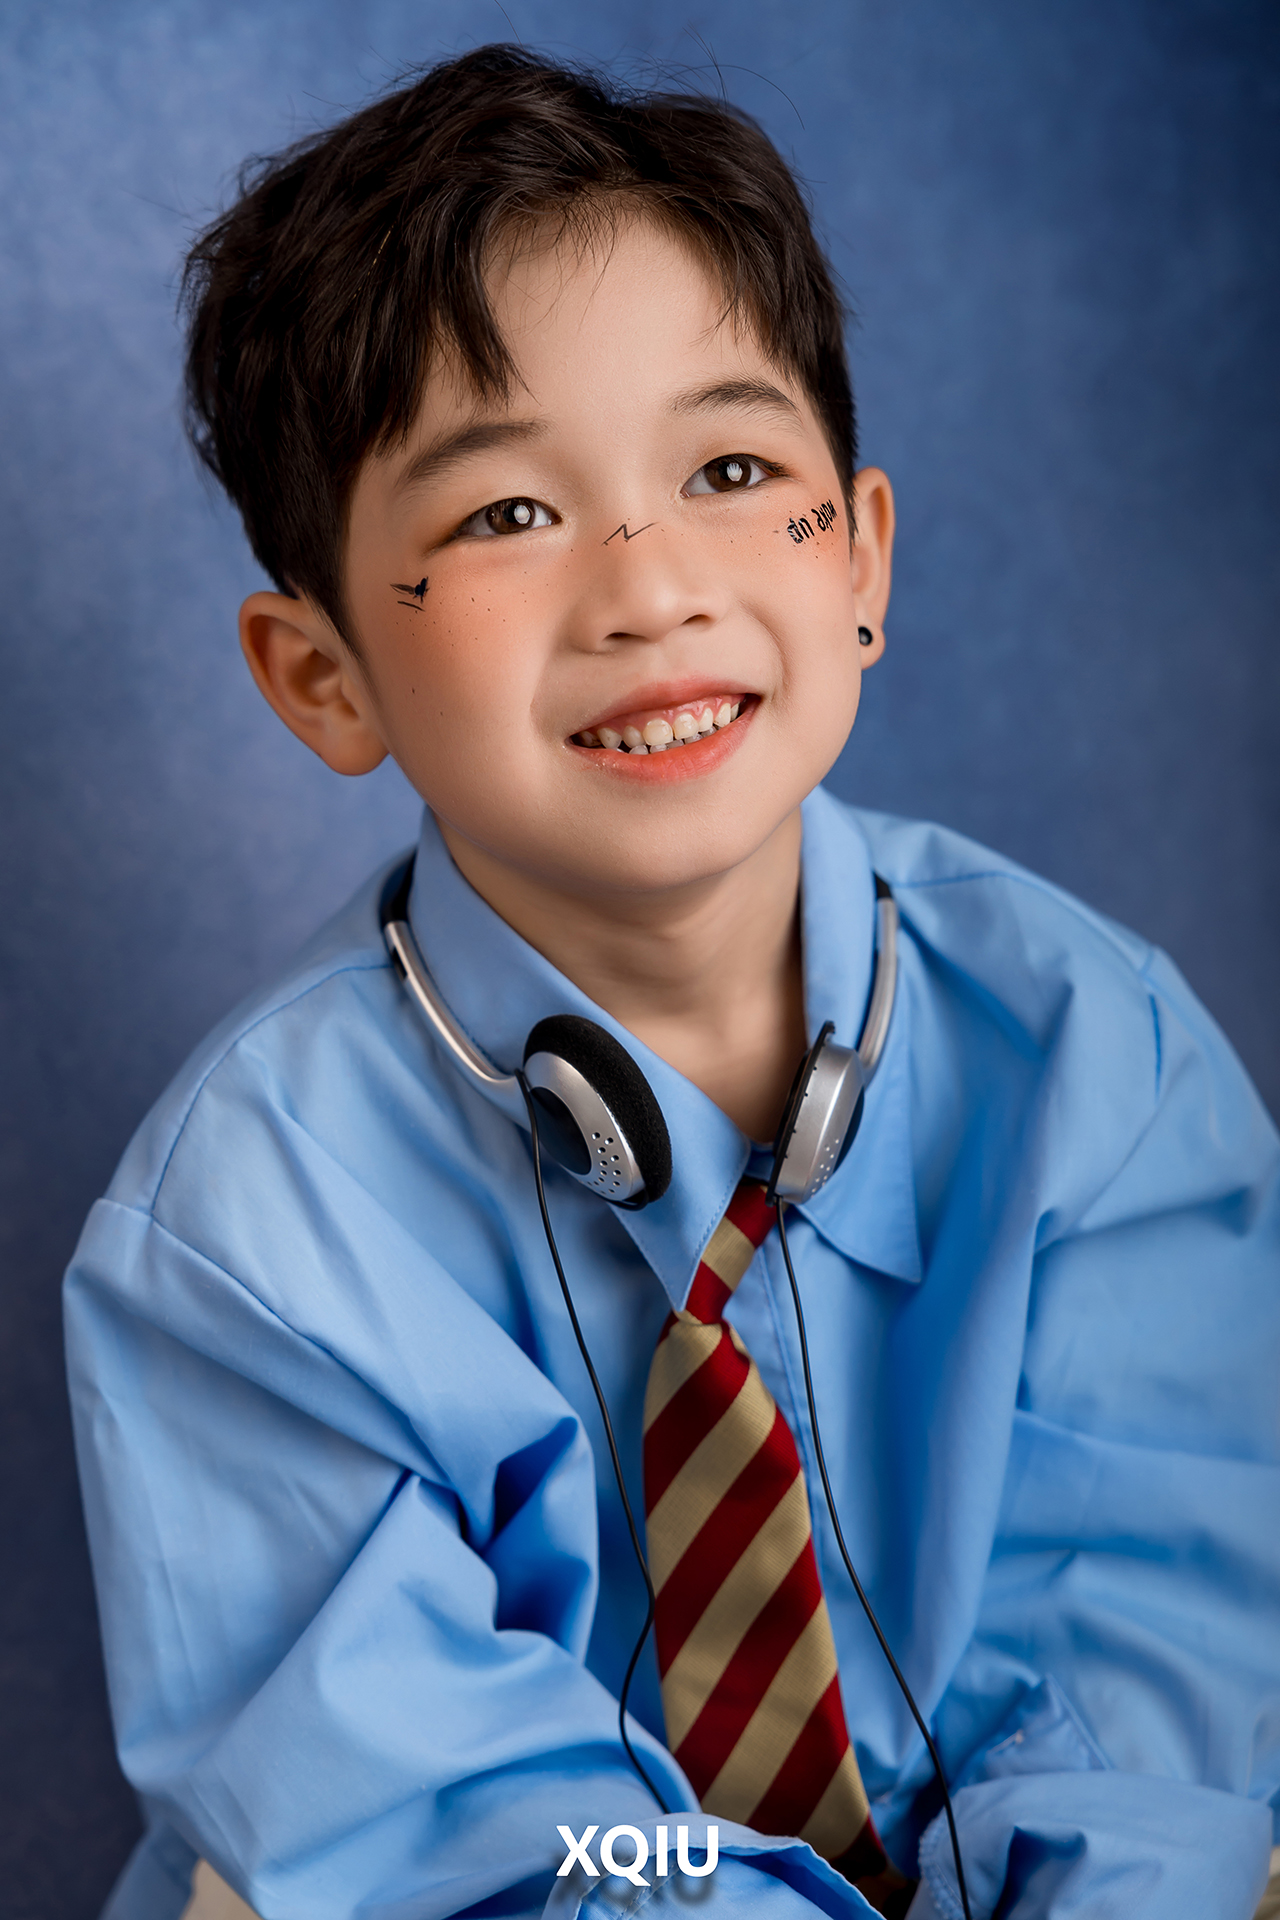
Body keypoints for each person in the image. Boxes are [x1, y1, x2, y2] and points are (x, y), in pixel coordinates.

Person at [63, 44, 1280, 1920]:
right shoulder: (243, 1238)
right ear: (324, 679)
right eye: (503, 515)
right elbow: (469, 1829)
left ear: (859, 561)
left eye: (729, 471)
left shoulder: (1095, 1057)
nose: (648, 589)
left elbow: (1142, 1696)